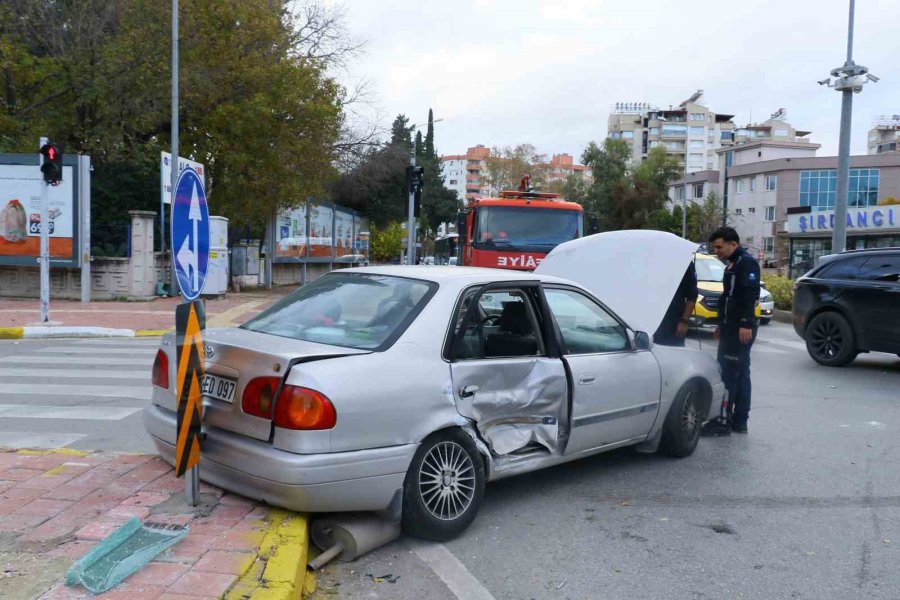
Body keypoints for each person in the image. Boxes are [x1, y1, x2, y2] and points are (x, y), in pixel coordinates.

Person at [702, 227, 760, 436]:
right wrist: (720, 323)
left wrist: (745, 324)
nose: (716, 251)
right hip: (730, 327)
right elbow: (727, 297)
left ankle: (723, 421)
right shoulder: (732, 265)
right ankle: (739, 421)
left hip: (739, 329)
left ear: (733, 244)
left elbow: (750, 294)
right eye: (714, 247)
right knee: (741, 373)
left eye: (719, 247)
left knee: (729, 374)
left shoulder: (746, 263)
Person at [654, 261, 698, 347]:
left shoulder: (683, 260)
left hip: (671, 321)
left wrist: (684, 321)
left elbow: (692, 295)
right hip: (647, 318)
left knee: (671, 354)